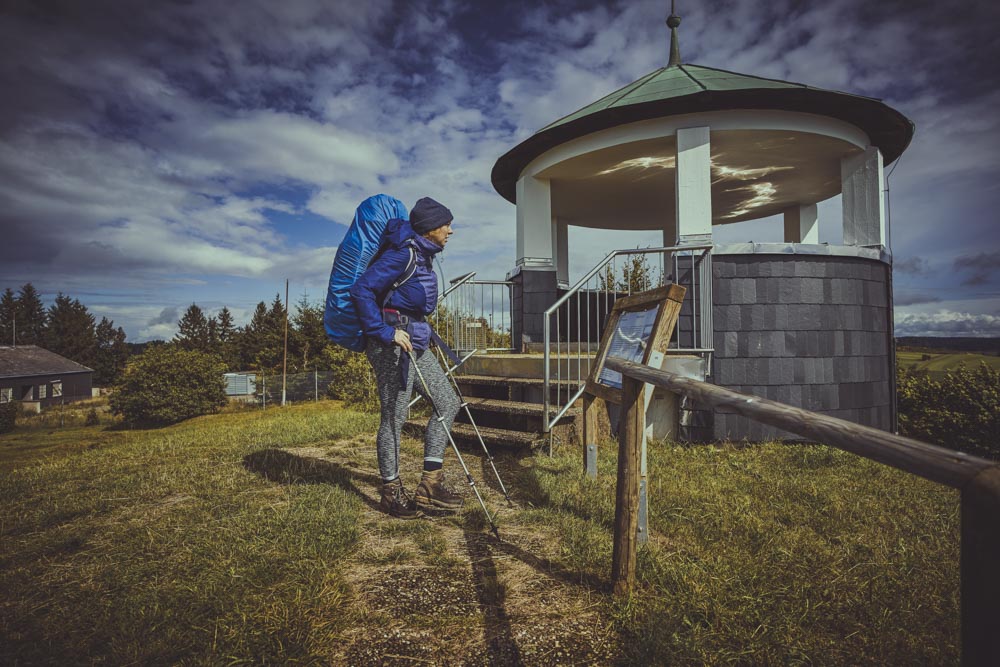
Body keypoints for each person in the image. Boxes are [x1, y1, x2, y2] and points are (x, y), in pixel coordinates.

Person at [350, 197, 463, 519]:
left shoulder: (423, 256)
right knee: (394, 416)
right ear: (430, 228)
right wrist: (384, 333)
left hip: (415, 342)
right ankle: (391, 491)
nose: (451, 231)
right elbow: (361, 291)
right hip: (391, 345)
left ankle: (430, 484)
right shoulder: (404, 254)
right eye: (447, 225)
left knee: (447, 402)